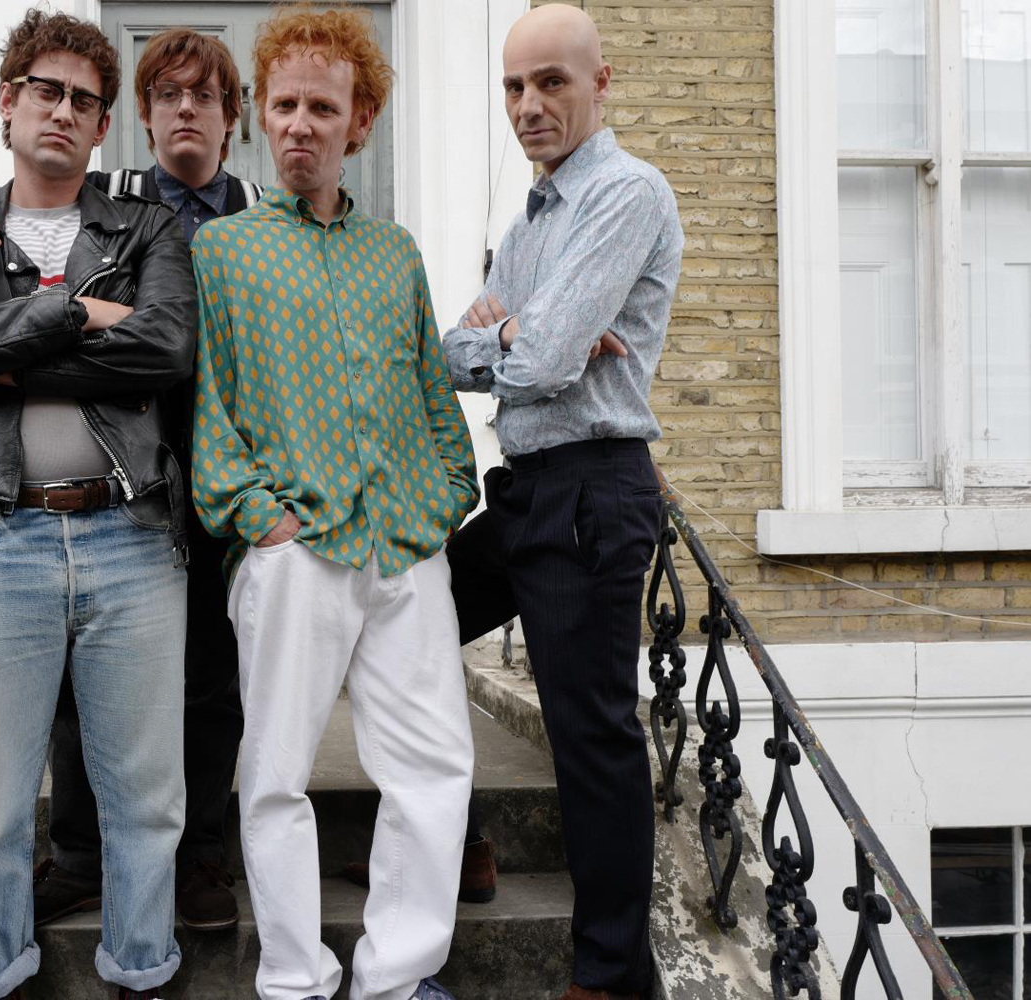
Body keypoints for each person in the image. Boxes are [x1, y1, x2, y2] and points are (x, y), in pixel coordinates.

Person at [0, 28, 262, 933]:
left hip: (202, 474)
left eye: (205, 96)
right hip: (100, 471)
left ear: (233, 117)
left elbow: (169, 344)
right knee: (63, 700)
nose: (186, 111)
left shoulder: (244, 212)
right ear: (137, 117)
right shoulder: (110, 198)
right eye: (168, 95)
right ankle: (73, 863)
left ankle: (194, 864)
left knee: (204, 686)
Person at [190, 8, 478, 1000]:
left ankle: (397, 976)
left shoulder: (396, 253)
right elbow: (209, 406)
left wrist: (446, 497)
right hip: (294, 549)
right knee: (275, 775)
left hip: (403, 545)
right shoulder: (222, 253)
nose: (301, 124)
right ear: (260, 117)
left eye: (323, 107)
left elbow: (433, 393)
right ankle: (294, 979)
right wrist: (255, 518)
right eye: (285, 105)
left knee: (434, 765)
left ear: (360, 123)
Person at [441, 7, 684, 1000]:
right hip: (527, 490)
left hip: (591, 490)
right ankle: (459, 841)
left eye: (551, 82)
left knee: (590, 739)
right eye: (514, 86)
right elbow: (456, 351)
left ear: (600, 82)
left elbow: (536, 359)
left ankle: (611, 973)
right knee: (404, 623)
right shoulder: (533, 217)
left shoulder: (626, 194)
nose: (529, 105)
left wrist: (519, 335)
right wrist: (516, 334)